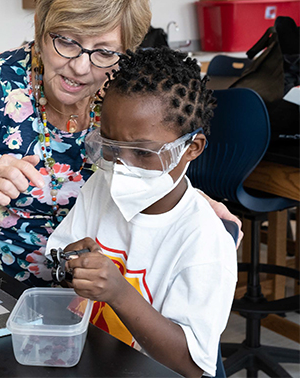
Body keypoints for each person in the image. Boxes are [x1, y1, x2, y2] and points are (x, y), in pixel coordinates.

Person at [0, 0, 241, 286]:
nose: (81, 68)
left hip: (95, 290)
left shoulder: (124, 89)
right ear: (41, 27)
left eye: (105, 51)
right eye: (67, 41)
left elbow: (150, 162)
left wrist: (193, 203)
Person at [46, 48, 237, 377]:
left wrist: (119, 292)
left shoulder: (204, 241)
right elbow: (59, 259)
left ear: (190, 149)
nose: (121, 166)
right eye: (110, 147)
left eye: (143, 153)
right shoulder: (100, 189)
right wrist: (69, 265)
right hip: (96, 360)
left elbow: (192, 365)